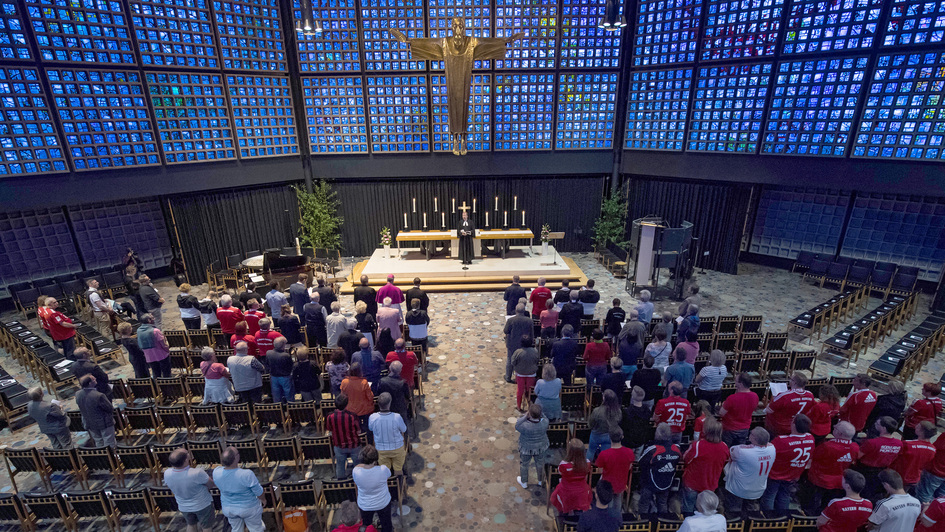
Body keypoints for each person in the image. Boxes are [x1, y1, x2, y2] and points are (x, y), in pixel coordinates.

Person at [762, 414, 815, 512]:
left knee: (770, 496)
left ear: (794, 425)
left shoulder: (782, 441)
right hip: (793, 474)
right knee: (785, 496)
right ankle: (783, 517)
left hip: (775, 474)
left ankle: (768, 518)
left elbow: (767, 451)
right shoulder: (810, 438)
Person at [806, 421, 860, 514]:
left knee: (813, 506)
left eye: (835, 428)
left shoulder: (827, 446)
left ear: (839, 433)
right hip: (839, 482)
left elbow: (813, 458)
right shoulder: (855, 447)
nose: (833, 429)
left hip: (820, 480)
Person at [724, 426, 776, 519]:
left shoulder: (742, 451)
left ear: (754, 439)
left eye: (751, 434)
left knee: (734, 512)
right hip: (757, 489)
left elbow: (731, 451)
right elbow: (767, 444)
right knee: (751, 513)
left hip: (738, 488)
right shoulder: (772, 449)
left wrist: (747, 446)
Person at [681, 419, 730, 513]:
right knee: (705, 511)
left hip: (693, 483)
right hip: (710, 485)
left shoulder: (698, 446)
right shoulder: (724, 447)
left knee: (688, 508)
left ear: (706, 431)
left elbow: (686, 459)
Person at [214, 446, 264, 532]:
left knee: (236, 529)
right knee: (256, 529)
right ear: (236, 458)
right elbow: (258, 491)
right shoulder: (246, 474)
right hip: (249, 508)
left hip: (229, 509)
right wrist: (263, 499)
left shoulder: (216, 472)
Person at [165, 448, 215, 532]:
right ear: (185, 461)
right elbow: (210, 484)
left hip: (184, 506)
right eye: (187, 454)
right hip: (202, 505)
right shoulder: (197, 472)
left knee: (191, 525)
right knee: (206, 527)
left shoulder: (167, 473)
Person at [638, 423, 682, 516]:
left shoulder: (652, 449)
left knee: (644, 505)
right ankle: (662, 523)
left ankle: (644, 523)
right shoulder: (677, 448)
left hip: (649, 483)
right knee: (662, 505)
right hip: (666, 482)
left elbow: (640, 462)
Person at [856, 416, 904, 500]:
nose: (875, 424)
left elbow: (858, 456)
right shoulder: (899, 443)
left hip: (866, 470)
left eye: (877, 424)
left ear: (883, 428)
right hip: (882, 471)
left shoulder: (872, 443)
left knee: (864, 492)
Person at [369, 392, 409, 484]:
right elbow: (404, 429)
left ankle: (390, 489)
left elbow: (370, 428)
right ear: (390, 403)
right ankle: (400, 487)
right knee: (398, 469)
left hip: (381, 449)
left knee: (385, 471)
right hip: (397, 448)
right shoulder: (397, 417)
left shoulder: (373, 417)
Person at [353, 445, 393, 531]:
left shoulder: (356, 471)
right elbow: (389, 475)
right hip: (382, 502)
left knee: (366, 526)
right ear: (375, 459)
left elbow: (358, 466)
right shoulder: (382, 470)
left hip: (365, 504)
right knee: (387, 525)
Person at [891, 420, 936, 494]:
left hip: (899, 476)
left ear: (921, 431)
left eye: (917, 427)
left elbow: (894, 458)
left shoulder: (907, 444)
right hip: (915, 478)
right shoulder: (933, 449)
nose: (915, 427)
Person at [551, 439, 593, 518]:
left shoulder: (564, 465)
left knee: (563, 510)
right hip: (581, 491)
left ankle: (563, 522)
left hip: (567, 491)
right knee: (579, 510)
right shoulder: (587, 463)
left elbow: (560, 473)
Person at [595, 428, 635, 510]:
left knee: (608, 505)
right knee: (618, 502)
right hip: (621, 482)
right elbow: (629, 467)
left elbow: (600, 470)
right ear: (622, 437)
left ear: (610, 437)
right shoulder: (629, 452)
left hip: (607, 485)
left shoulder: (604, 454)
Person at [75, 374, 117, 448]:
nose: (95, 379)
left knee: (99, 442)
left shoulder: (78, 394)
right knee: (109, 442)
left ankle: (104, 458)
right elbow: (109, 408)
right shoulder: (99, 395)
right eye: (93, 379)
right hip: (104, 423)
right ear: (90, 383)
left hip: (90, 423)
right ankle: (112, 458)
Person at [327, 394, 362, 480]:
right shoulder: (352, 416)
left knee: (340, 465)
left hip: (339, 446)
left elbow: (329, 430)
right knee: (358, 465)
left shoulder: (330, 417)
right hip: (354, 445)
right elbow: (359, 431)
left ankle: (342, 482)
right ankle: (359, 480)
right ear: (346, 404)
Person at [515, 402, 549, 488]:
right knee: (540, 463)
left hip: (526, 448)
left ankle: (524, 482)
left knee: (524, 464)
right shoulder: (545, 423)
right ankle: (540, 480)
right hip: (540, 447)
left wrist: (525, 416)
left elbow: (517, 424)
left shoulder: (524, 425)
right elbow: (545, 417)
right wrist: (540, 413)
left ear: (529, 414)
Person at [719, 372, 759, 446]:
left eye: (736, 381)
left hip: (729, 428)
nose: (735, 382)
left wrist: (724, 405)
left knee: (727, 448)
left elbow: (721, 413)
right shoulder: (755, 396)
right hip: (745, 428)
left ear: (741, 384)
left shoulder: (732, 398)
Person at [503, 303, 533, 383]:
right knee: (521, 361)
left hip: (512, 343)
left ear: (516, 310)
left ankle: (508, 377)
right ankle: (518, 378)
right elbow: (531, 333)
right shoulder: (529, 321)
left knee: (510, 360)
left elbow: (506, 331)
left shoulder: (511, 320)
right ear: (524, 311)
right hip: (524, 344)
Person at [137, 313, 171, 378]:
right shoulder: (155, 331)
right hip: (161, 355)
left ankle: (158, 387)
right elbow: (163, 344)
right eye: (152, 318)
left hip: (149, 357)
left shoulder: (139, 330)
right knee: (166, 373)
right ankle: (167, 387)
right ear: (149, 320)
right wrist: (167, 350)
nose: (154, 319)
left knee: (156, 373)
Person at [377, 361, 411, 426]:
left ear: (389, 368)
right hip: (399, 408)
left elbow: (379, 394)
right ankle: (405, 434)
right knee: (403, 424)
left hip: (386, 408)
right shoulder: (403, 382)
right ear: (400, 371)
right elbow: (407, 396)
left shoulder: (382, 381)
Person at [621, 386, 653, 456]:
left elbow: (623, 426)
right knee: (636, 462)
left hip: (628, 442)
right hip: (640, 441)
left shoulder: (627, 412)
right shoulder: (647, 411)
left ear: (632, 396)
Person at [341, 363, 375, 428]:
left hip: (349, 410)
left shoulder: (344, 382)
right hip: (364, 410)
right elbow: (370, 397)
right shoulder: (364, 382)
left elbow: (343, 397)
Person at [511, 335, 540, 411]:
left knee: (520, 390)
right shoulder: (535, 351)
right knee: (530, 390)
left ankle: (518, 406)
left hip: (520, 373)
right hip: (531, 374)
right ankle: (531, 406)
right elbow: (537, 360)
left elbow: (513, 362)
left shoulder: (518, 352)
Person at [267, 337, 294, 403]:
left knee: (276, 395)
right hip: (285, 377)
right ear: (283, 345)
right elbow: (291, 366)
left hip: (274, 377)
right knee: (289, 395)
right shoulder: (285, 355)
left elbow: (267, 364)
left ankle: (279, 410)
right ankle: (291, 409)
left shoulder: (268, 353)